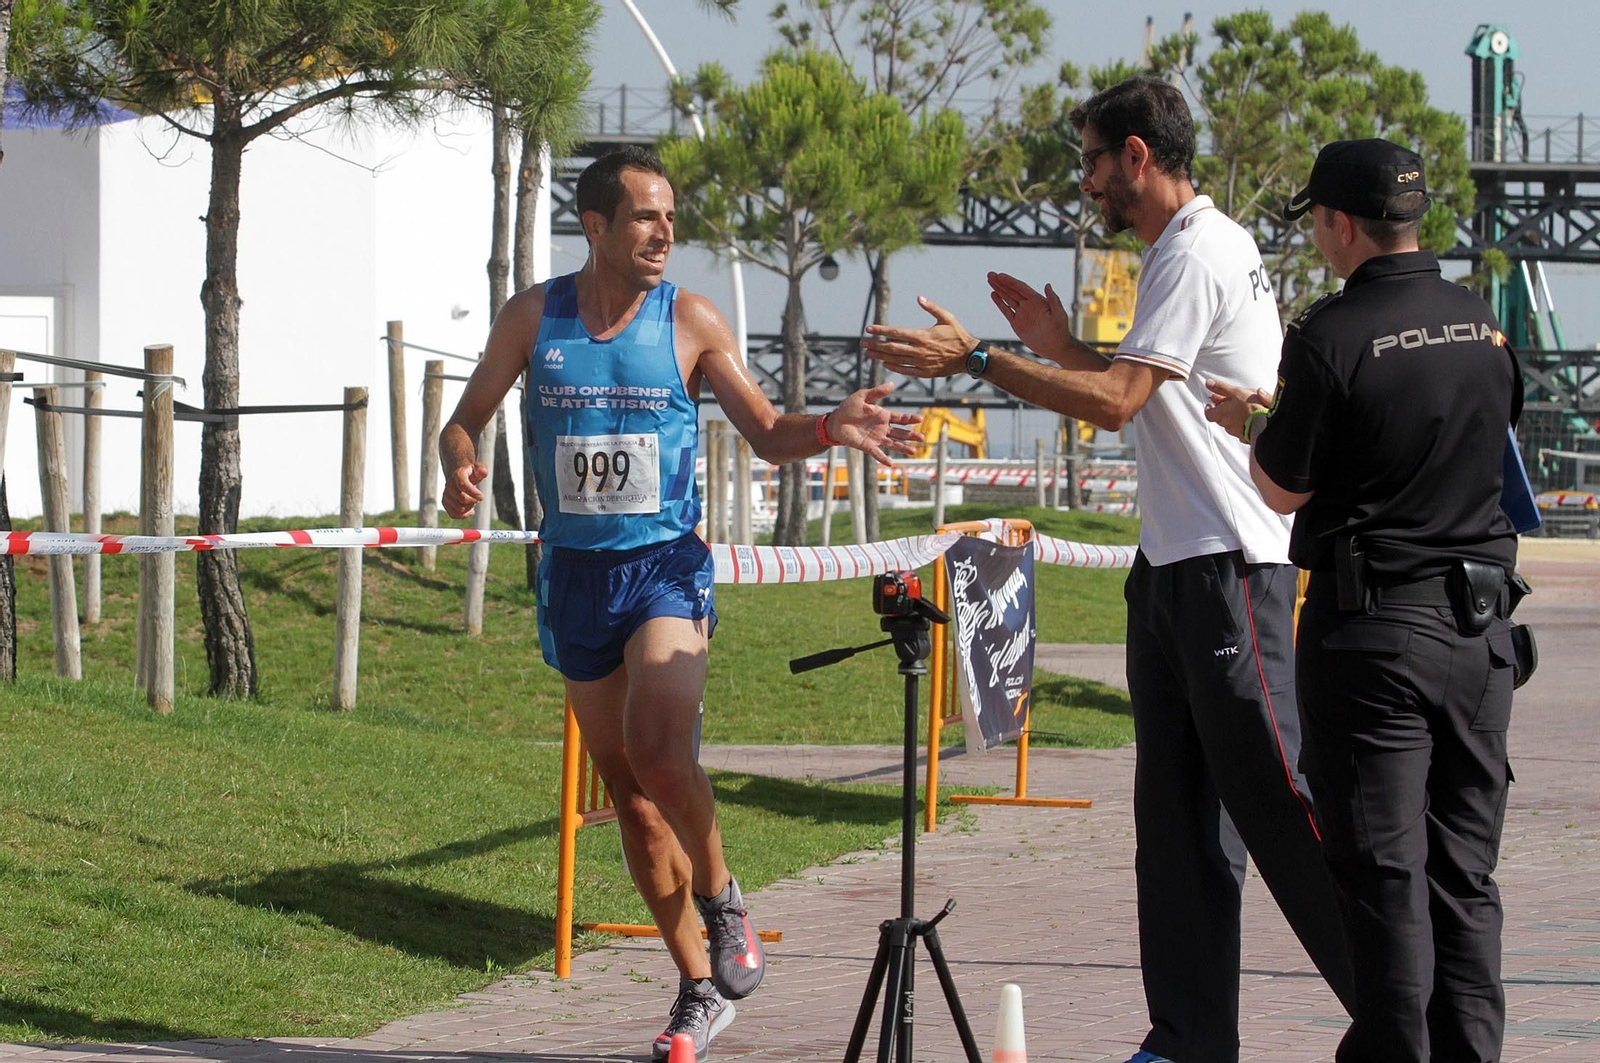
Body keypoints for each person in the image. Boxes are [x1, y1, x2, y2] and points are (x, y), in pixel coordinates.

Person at [862, 76, 1354, 1063]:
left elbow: (1119, 402)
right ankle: (1186, 1040)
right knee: (1174, 828)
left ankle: (1407, 1015)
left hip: (1229, 568)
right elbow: (1148, 386)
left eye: (1091, 161)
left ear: (1136, 155)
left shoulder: (1199, 249)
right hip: (1171, 570)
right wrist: (1061, 347)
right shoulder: (1178, 253)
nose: (1084, 183)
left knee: (1280, 806)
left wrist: (980, 361)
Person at [439, 145, 922, 1060]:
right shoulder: (533, 317)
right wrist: (459, 462)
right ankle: (699, 983)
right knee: (632, 802)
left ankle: (722, 893)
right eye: (646, 217)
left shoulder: (690, 319)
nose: (666, 233)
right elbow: (462, 420)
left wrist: (831, 425)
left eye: (671, 217)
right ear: (596, 226)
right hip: (573, 576)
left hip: (664, 566)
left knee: (663, 753)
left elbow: (768, 431)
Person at [1206, 139, 1523, 1063]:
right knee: (1466, 876)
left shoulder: (1331, 336)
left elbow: (1282, 487)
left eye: (1317, 220)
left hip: (1375, 636)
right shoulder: (1480, 323)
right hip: (1482, 634)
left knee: (1385, 877)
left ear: (1341, 224)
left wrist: (1252, 421)